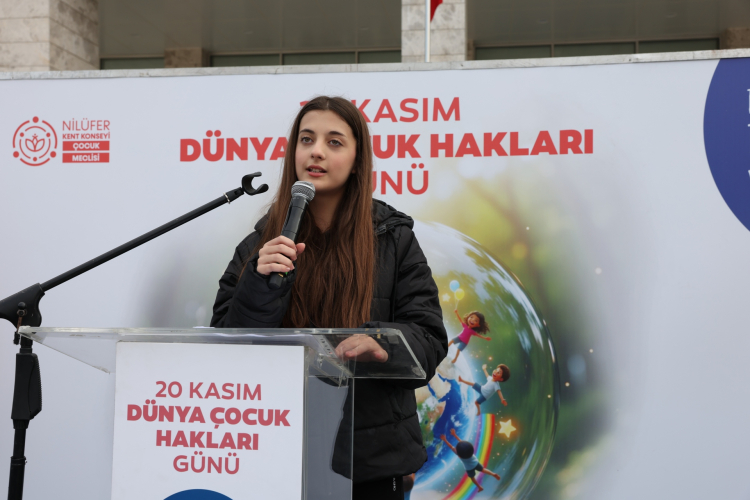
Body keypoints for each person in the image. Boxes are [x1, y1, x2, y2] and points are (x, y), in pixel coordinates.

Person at [210, 96, 447, 500]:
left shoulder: (394, 240)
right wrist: (258, 283)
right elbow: (225, 348)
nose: (316, 151)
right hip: (278, 451)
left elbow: (429, 337)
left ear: (357, 161)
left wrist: (383, 344)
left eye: (334, 142)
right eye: (306, 139)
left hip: (369, 460)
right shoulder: (259, 247)